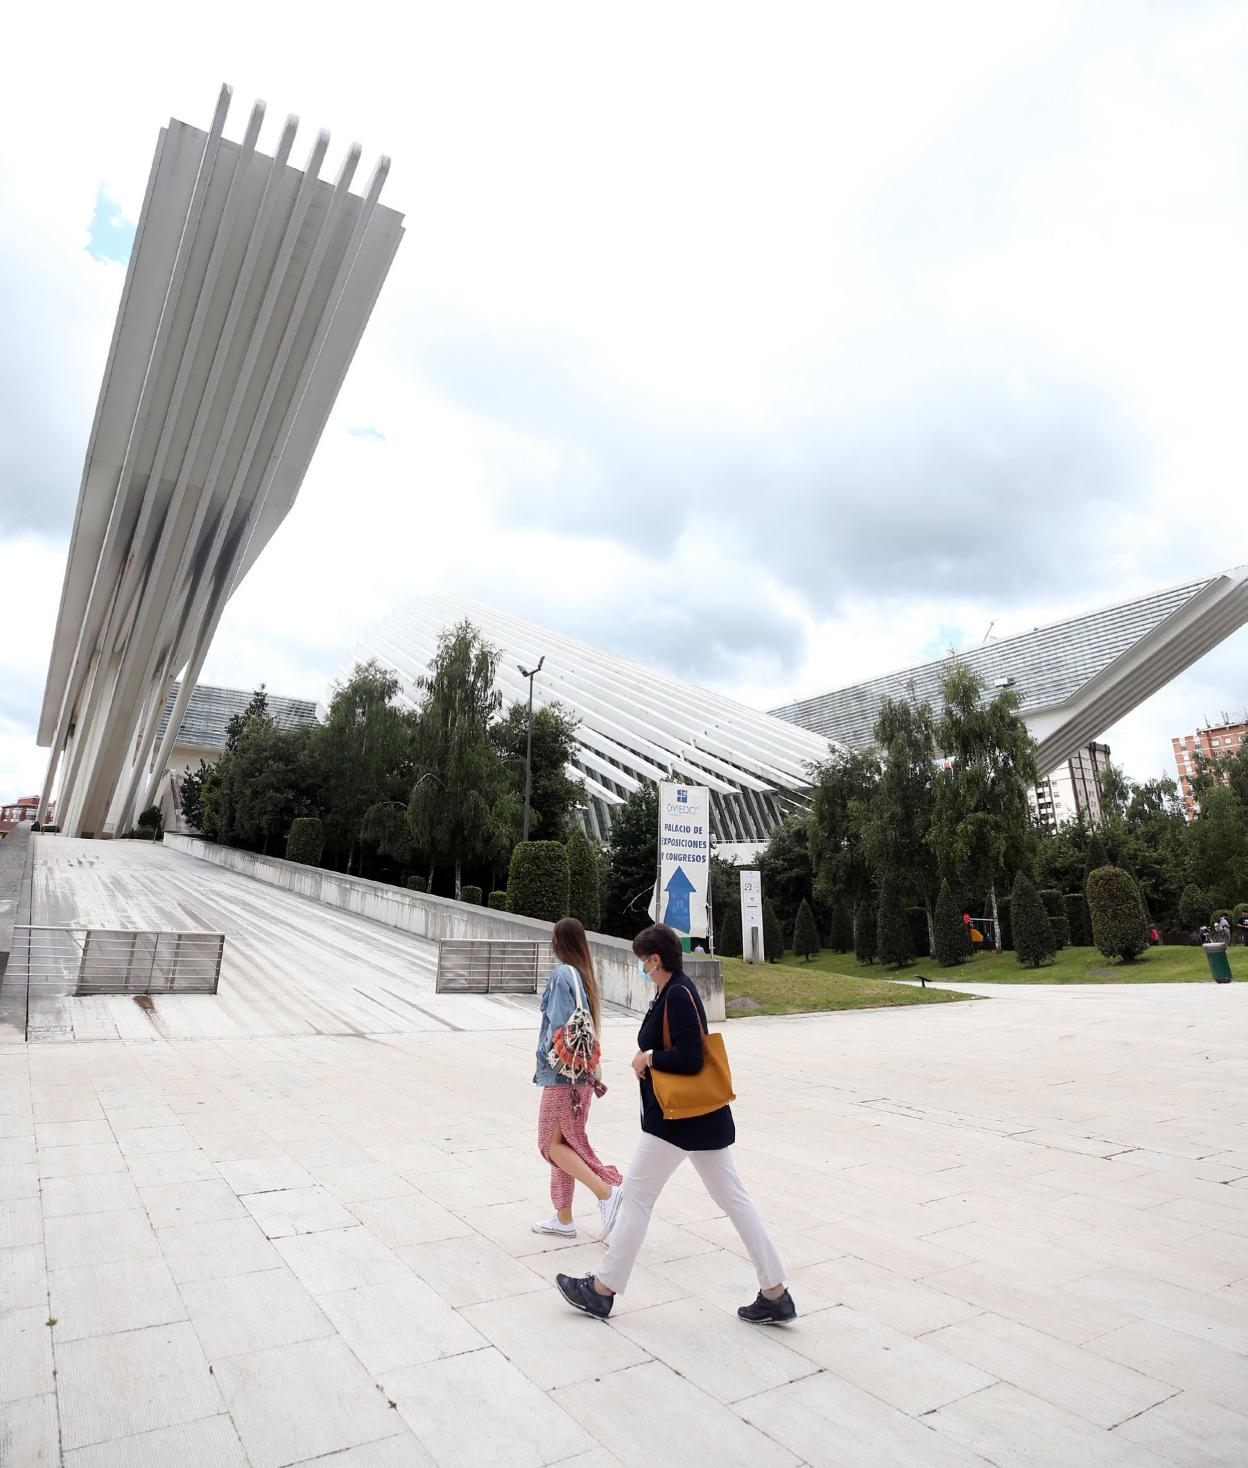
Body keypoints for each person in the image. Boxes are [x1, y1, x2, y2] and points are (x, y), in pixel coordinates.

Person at [555, 922, 795, 1326]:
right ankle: (775, 1292)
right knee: (734, 1200)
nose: (640, 967)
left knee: (636, 1198)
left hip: (675, 1122)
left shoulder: (679, 994)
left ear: (656, 959)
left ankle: (602, 1290)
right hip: (700, 1123)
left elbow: (691, 1059)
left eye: (642, 961)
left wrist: (648, 1060)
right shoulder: (671, 990)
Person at [533, 917, 623, 1240]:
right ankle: (564, 1217)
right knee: (563, 1144)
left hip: (562, 1076)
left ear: (560, 943)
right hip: (582, 1075)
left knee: (549, 1145)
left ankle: (606, 1192)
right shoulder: (586, 978)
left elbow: (558, 1026)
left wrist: (543, 1054)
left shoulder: (561, 975)